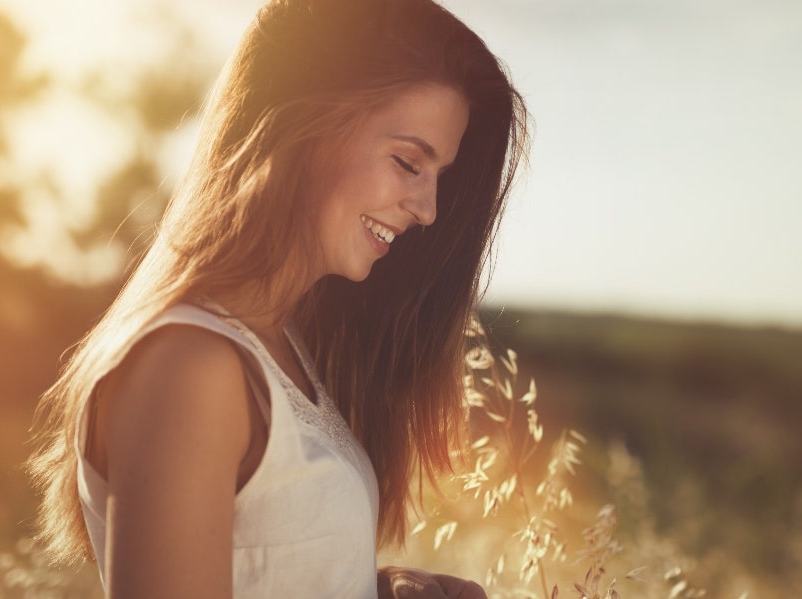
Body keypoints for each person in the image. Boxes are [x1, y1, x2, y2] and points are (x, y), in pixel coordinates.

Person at [26, 0, 529, 596]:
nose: (427, 209)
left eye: (437, 175)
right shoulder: (192, 366)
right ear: (300, 127)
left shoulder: (280, 347)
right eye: (407, 162)